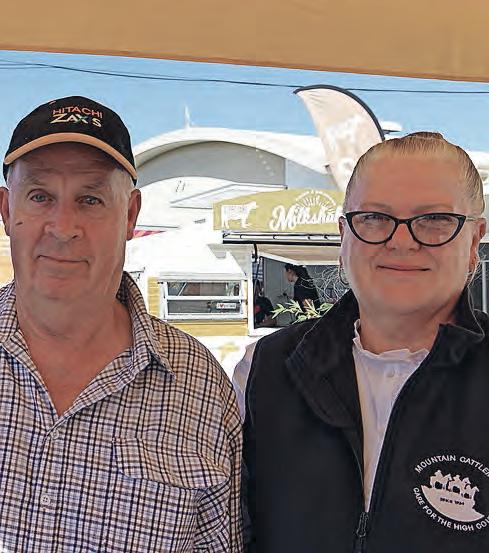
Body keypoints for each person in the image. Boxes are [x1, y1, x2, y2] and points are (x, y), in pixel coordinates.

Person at [0, 96, 243, 552]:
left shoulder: (201, 385)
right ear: (7, 210)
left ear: (130, 215)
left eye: (90, 199)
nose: (63, 227)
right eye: (40, 196)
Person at [244, 132, 489, 552]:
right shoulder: (263, 370)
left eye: (434, 219)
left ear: (473, 241)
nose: (402, 240)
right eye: (375, 217)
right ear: (344, 236)